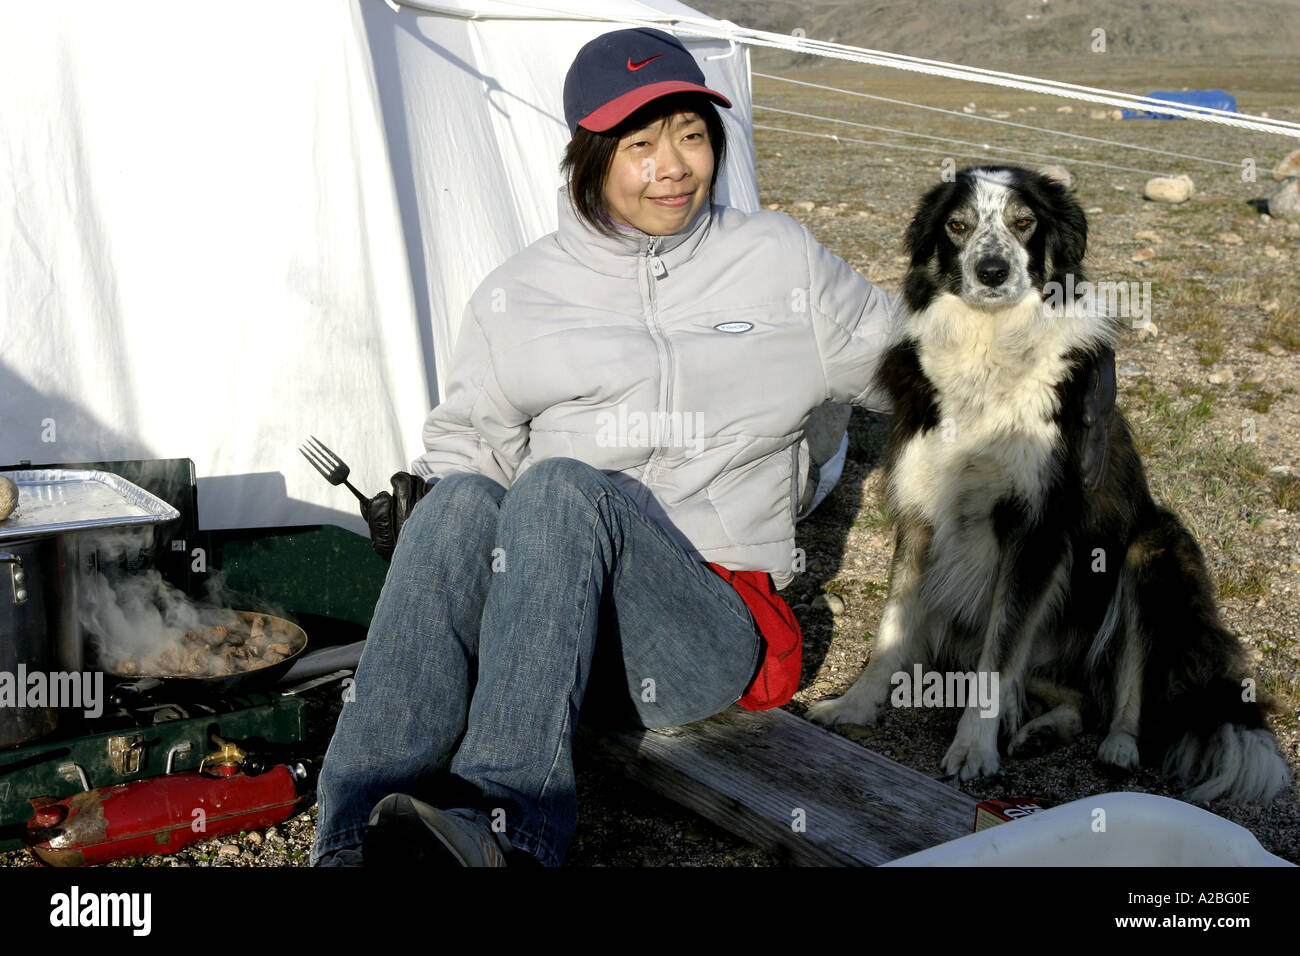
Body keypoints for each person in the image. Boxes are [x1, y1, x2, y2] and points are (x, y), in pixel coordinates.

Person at [311, 27, 1113, 867]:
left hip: (699, 624)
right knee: (463, 500)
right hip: (547, 623)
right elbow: (469, 445)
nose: (673, 165)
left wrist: (1065, 353)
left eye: (692, 135)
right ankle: (350, 839)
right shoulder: (522, 292)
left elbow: (917, 364)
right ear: (587, 157)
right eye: (641, 143)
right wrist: (431, 505)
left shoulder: (774, 258)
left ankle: (505, 827)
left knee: (556, 486)